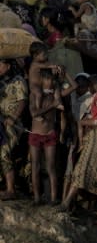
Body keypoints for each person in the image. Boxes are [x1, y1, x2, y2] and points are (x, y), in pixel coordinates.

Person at [59, 90, 97, 224]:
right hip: (90, 144)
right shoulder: (92, 114)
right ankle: (66, 204)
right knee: (80, 171)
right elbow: (83, 123)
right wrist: (82, 138)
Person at [28, 68, 63, 205]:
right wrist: (52, 106)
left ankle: (54, 199)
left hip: (49, 134)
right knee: (35, 166)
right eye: (49, 79)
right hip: (35, 135)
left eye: (53, 79)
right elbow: (34, 114)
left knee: (51, 167)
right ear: (42, 79)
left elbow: (58, 101)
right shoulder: (34, 94)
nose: (51, 82)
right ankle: (37, 198)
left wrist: (59, 80)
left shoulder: (54, 92)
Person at [0, 58, 28, 200]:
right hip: (1, 121)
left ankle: (11, 190)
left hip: (13, 123)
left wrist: (13, 118)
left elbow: (22, 101)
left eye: (0, 64)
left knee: (3, 152)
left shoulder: (18, 80)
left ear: (8, 66)